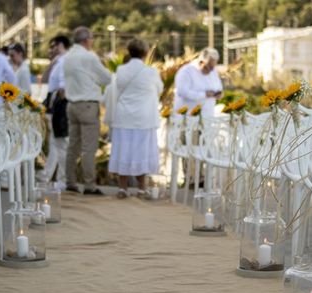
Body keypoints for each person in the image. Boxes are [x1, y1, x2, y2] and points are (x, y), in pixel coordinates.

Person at [107, 38, 163, 199]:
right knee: (142, 151)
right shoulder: (151, 72)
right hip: (144, 117)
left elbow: (115, 89)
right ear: (146, 53)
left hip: (124, 115)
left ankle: (122, 188)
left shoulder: (121, 70)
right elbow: (159, 89)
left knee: (123, 149)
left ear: (129, 52)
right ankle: (141, 188)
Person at [63, 26, 112, 195]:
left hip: (71, 105)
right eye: (91, 39)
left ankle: (70, 181)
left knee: (73, 146)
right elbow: (107, 78)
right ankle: (89, 185)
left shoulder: (67, 57)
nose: (92, 42)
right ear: (86, 40)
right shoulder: (89, 56)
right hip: (88, 105)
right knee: (88, 147)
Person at [46, 35, 71, 189]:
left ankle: (62, 179)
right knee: (56, 143)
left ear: (61, 45)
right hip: (55, 101)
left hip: (59, 103)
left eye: (54, 45)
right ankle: (51, 176)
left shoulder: (64, 61)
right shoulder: (59, 61)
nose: (51, 49)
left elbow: (62, 86)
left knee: (61, 143)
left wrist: (58, 105)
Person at [174, 47, 223, 117]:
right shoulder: (186, 72)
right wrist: (204, 94)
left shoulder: (213, 71)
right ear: (201, 62)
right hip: (188, 118)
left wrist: (219, 94)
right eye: (208, 67)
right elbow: (182, 92)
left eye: (213, 67)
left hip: (208, 117)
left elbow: (219, 88)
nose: (211, 71)